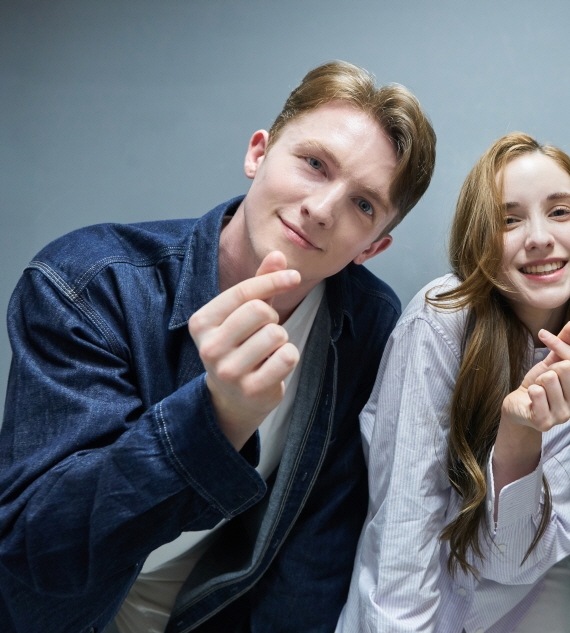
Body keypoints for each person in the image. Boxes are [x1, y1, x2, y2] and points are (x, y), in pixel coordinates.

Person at [0, 61, 436, 633]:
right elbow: (37, 546)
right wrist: (216, 418)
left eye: (363, 205)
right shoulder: (86, 283)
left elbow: (316, 547)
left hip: (210, 609)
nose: (323, 208)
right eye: (313, 164)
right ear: (259, 153)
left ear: (372, 247)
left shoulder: (368, 322)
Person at [336, 132, 570, 633]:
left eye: (559, 211)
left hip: (512, 611)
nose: (538, 237)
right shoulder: (441, 320)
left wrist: (519, 441)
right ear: (479, 239)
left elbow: (510, 565)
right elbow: (404, 528)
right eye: (509, 220)